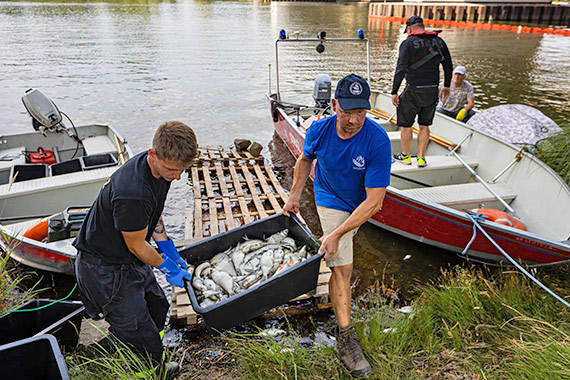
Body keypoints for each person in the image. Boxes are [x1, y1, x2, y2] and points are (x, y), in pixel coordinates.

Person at [283, 74, 391, 378]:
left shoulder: (377, 140)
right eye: (347, 112)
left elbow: (374, 203)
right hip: (329, 197)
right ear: (334, 105)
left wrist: (337, 234)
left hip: (361, 201)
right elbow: (305, 160)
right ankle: (346, 339)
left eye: (360, 112)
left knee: (339, 248)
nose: (354, 120)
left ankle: (337, 245)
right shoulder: (319, 129)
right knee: (342, 267)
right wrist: (294, 197)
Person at [73, 121, 197, 378]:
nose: (177, 176)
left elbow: (153, 214)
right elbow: (137, 244)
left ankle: (143, 351)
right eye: (173, 170)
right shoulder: (133, 192)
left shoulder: (160, 169)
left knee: (157, 305)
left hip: (127, 258)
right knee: (138, 330)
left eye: (183, 170)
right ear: (153, 155)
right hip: (103, 268)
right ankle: (149, 372)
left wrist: (166, 245)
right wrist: (165, 266)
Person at [391, 15, 453, 168]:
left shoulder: (407, 43)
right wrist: (446, 85)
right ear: (423, 26)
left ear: (409, 28)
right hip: (432, 90)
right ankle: (421, 158)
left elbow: (401, 68)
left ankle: (405, 156)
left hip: (413, 89)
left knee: (406, 125)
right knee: (424, 125)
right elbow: (448, 65)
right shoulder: (439, 41)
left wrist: (394, 91)